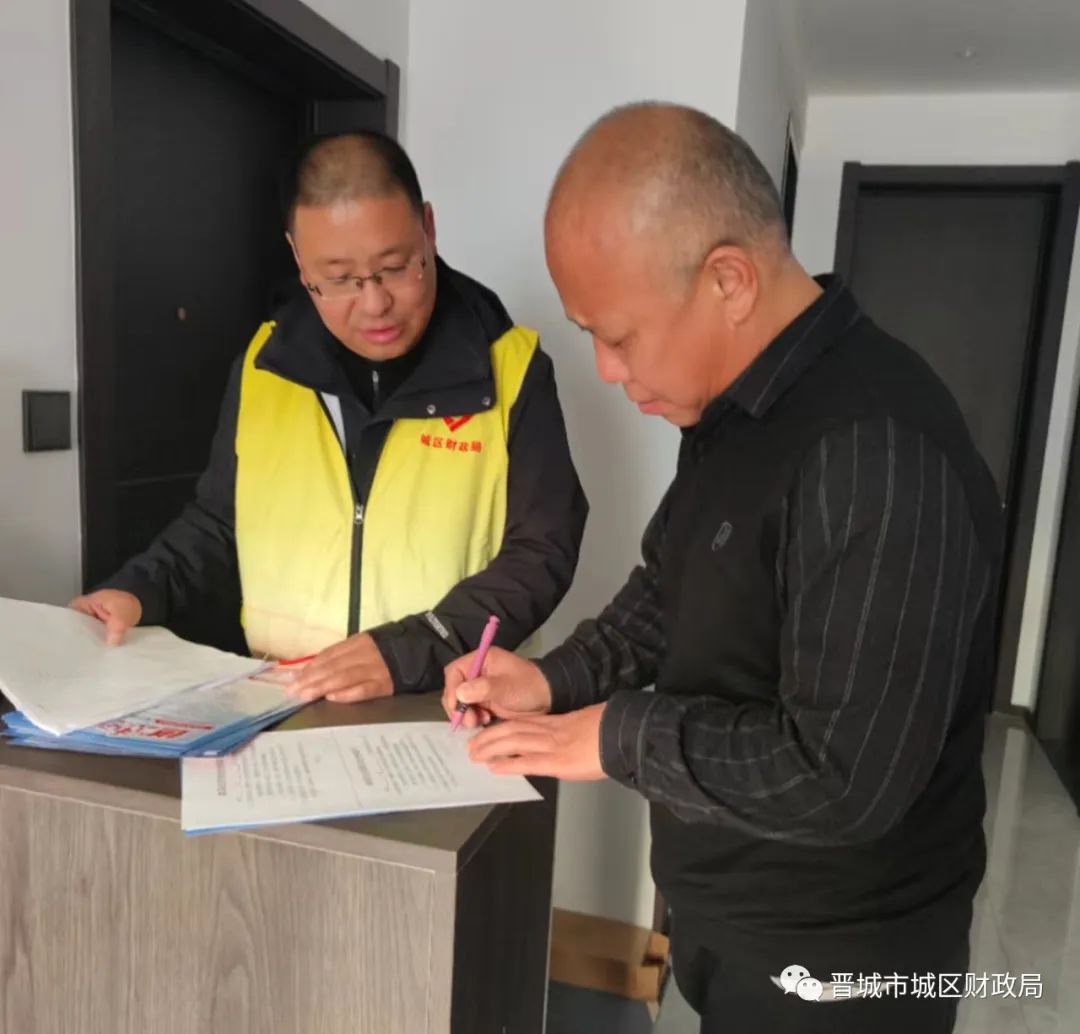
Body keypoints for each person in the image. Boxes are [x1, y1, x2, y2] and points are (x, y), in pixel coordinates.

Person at [442, 103, 1003, 1034]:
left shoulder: (878, 451)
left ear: (728, 280)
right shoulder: (731, 412)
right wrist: (550, 680)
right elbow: (671, 589)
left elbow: (843, 777)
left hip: (842, 967)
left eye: (619, 335)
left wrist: (615, 736)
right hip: (731, 920)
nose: (606, 369)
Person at [72, 131, 587, 703]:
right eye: (340, 279)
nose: (374, 303)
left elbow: (542, 550)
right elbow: (219, 522)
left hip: (456, 706)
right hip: (286, 700)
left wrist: (411, 650)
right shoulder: (265, 365)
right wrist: (137, 589)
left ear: (428, 228)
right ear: (298, 257)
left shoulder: (510, 368)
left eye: (395, 267)